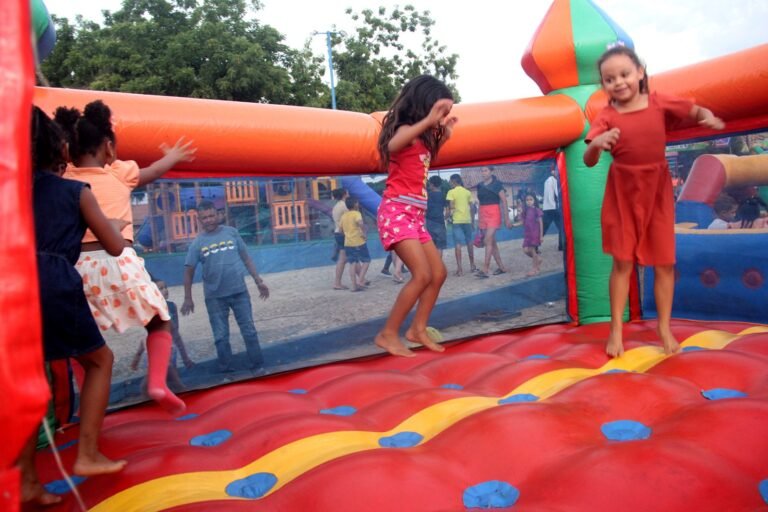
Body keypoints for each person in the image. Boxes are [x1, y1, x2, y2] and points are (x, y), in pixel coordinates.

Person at [18, 108, 129, 507]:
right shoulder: (75, 190)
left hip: (12, 284)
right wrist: (112, 227)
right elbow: (114, 246)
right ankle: (87, 453)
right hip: (51, 282)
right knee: (99, 360)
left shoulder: (10, 190)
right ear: (60, 148)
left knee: (30, 382)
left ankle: (28, 479)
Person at [583, 45, 724, 358]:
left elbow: (692, 109)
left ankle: (663, 327)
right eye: (609, 79)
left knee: (664, 262)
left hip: (656, 192)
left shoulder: (658, 102)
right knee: (622, 263)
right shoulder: (607, 116)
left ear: (640, 72)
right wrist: (599, 144)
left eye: (624, 74)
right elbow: (589, 157)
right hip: (623, 193)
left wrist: (707, 116)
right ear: (604, 85)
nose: (618, 82)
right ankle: (616, 331)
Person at [56, 100, 195, 414]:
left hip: (78, 269)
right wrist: (171, 157)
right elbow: (153, 172)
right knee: (159, 321)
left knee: (80, 342)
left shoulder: (65, 177)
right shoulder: (118, 172)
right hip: (119, 261)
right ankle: (157, 381)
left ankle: (80, 394)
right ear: (108, 146)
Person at [374, 74, 458, 357]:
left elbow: (420, 163)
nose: (442, 116)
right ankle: (387, 334)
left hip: (415, 217)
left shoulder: (421, 139)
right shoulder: (406, 129)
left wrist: (442, 136)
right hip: (396, 212)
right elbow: (393, 147)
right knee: (421, 275)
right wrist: (427, 122)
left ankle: (417, 329)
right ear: (425, 105)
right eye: (440, 111)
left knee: (438, 273)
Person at [182, 200, 270, 372]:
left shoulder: (232, 233)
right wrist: (188, 298)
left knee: (249, 331)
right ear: (199, 220)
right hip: (214, 297)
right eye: (204, 218)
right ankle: (227, 372)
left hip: (239, 293)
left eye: (211, 215)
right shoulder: (197, 243)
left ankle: (258, 367)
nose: (208, 220)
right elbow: (188, 270)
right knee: (221, 337)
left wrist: (258, 281)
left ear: (218, 215)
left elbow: (246, 258)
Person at [131, 279, 195, 392]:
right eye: (160, 288)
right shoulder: (152, 310)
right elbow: (146, 335)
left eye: (165, 287)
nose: (165, 290)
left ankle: (173, 390)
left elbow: (176, 332)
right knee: (160, 373)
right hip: (156, 347)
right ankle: (179, 389)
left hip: (171, 346)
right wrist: (138, 355)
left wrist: (184, 356)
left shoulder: (171, 307)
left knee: (168, 371)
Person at [475, 166, 511, 278]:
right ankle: (502, 267)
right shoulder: (479, 186)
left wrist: (507, 218)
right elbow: (480, 202)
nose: (483, 172)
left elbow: (504, 201)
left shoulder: (497, 184)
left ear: (491, 172)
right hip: (483, 213)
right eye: (482, 170)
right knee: (492, 242)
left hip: (494, 212)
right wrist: (479, 219)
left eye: (485, 170)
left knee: (487, 240)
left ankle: (485, 269)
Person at [446, 173, 476, 276]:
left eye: (450, 181)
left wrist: (448, 215)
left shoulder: (451, 192)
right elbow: (472, 207)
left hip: (457, 221)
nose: (449, 183)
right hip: (467, 220)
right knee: (469, 242)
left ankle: (460, 269)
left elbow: (451, 206)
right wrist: (472, 221)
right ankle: (472, 265)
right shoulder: (467, 192)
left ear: (454, 181)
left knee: (458, 244)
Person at [340, 197, 371, 291]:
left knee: (352, 263)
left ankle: (354, 286)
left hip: (348, 243)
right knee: (366, 260)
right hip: (358, 241)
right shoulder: (357, 214)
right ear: (355, 204)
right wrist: (364, 233)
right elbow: (360, 223)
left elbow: (341, 230)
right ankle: (360, 280)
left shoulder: (344, 216)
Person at [331, 187, 349, 290]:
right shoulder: (344, 206)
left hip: (338, 233)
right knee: (344, 258)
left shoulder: (337, 206)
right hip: (343, 233)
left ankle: (361, 278)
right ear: (344, 194)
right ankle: (337, 283)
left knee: (350, 256)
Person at [521, 192, 544, 276]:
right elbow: (523, 222)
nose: (529, 201)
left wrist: (541, 236)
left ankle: (535, 269)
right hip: (527, 235)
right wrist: (513, 225)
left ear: (534, 200)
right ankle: (538, 259)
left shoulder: (536, 210)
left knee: (533, 251)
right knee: (525, 250)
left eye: (531, 199)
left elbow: (541, 223)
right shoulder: (526, 211)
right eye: (527, 200)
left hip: (534, 234)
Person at [542, 166, 563, 250]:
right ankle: (534, 247)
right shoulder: (549, 180)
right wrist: (556, 207)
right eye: (556, 171)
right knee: (543, 229)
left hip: (553, 208)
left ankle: (561, 246)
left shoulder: (555, 180)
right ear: (552, 172)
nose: (557, 173)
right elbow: (551, 196)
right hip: (550, 209)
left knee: (561, 228)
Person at [426, 175, 448, 257]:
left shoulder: (427, 195)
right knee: (440, 246)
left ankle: (432, 265)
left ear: (432, 184)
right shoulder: (443, 195)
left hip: (429, 222)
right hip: (440, 222)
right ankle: (439, 265)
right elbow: (447, 210)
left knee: (430, 246)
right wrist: (445, 218)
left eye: (429, 184)